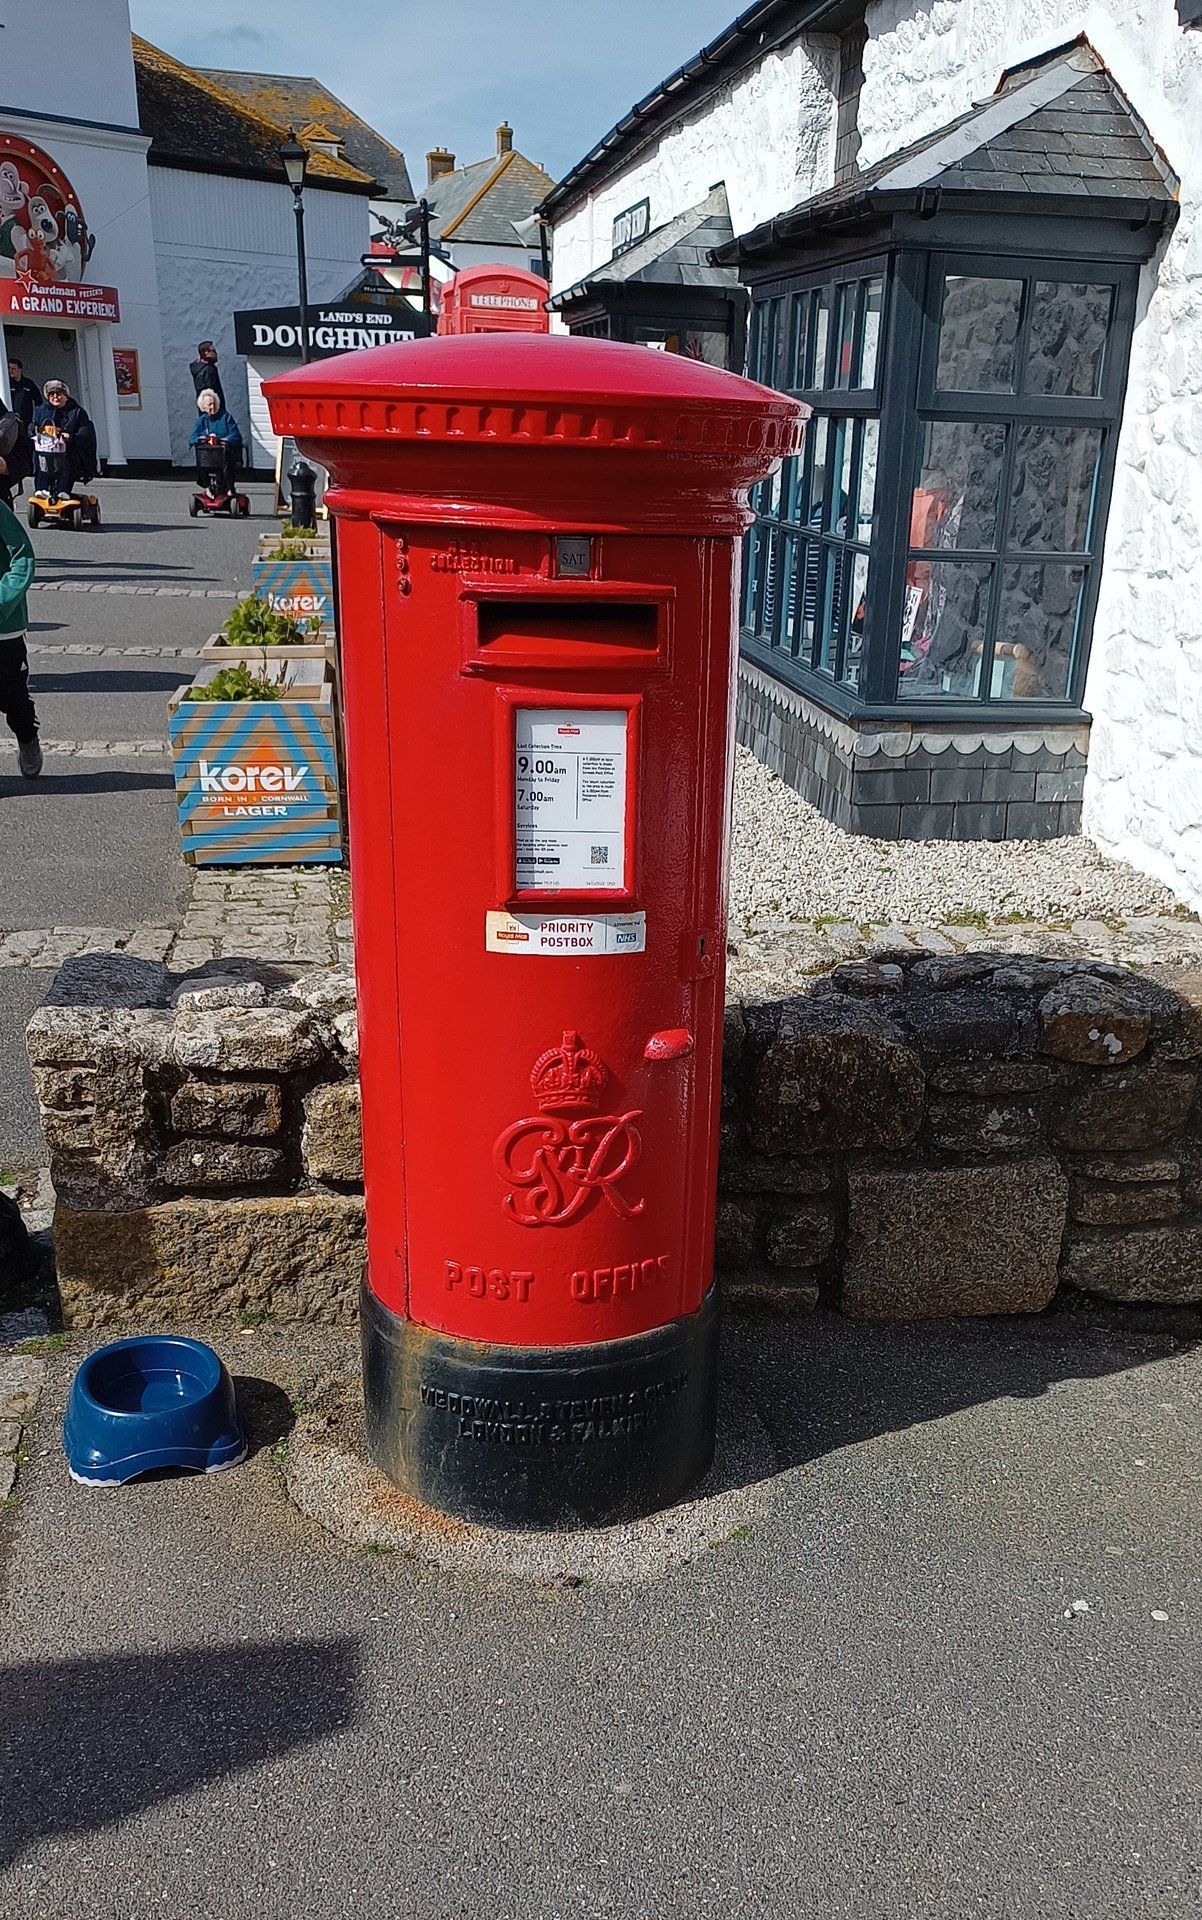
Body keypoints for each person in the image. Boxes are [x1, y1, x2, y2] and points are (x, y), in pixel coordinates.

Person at [0, 494, 41, 777]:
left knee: (14, 699)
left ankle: (27, 737)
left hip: (5, 630)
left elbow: (23, 556)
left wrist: (3, 600)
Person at [30, 379, 98, 494]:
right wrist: (34, 432)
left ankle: (63, 490)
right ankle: (42, 489)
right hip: (45, 449)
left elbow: (85, 433)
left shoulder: (77, 412)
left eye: (59, 394)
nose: (55, 397)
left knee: (66, 461)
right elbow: (32, 426)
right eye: (52, 395)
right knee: (41, 461)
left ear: (65, 396)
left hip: (68, 451)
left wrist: (70, 437)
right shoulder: (40, 411)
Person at [189, 387, 243, 491]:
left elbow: (235, 435)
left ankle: (229, 489)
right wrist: (201, 439)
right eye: (209, 405)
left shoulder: (226, 417)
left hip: (224, 454)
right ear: (203, 407)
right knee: (202, 462)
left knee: (227, 463)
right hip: (208, 456)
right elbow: (192, 438)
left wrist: (224, 439)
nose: (212, 407)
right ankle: (208, 488)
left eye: (214, 404)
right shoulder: (201, 421)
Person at [6, 358, 40, 493]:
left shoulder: (28, 384)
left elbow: (38, 402)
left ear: (20, 369)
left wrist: (36, 420)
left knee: (28, 445)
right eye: (9, 369)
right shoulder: (6, 384)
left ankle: (30, 469)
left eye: (13, 369)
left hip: (27, 422)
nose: (11, 372)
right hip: (11, 423)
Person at [190, 340, 225, 412]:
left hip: (203, 407)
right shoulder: (209, 370)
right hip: (214, 410)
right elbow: (213, 392)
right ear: (206, 353)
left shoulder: (198, 368)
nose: (215, 353)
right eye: (213, 351)